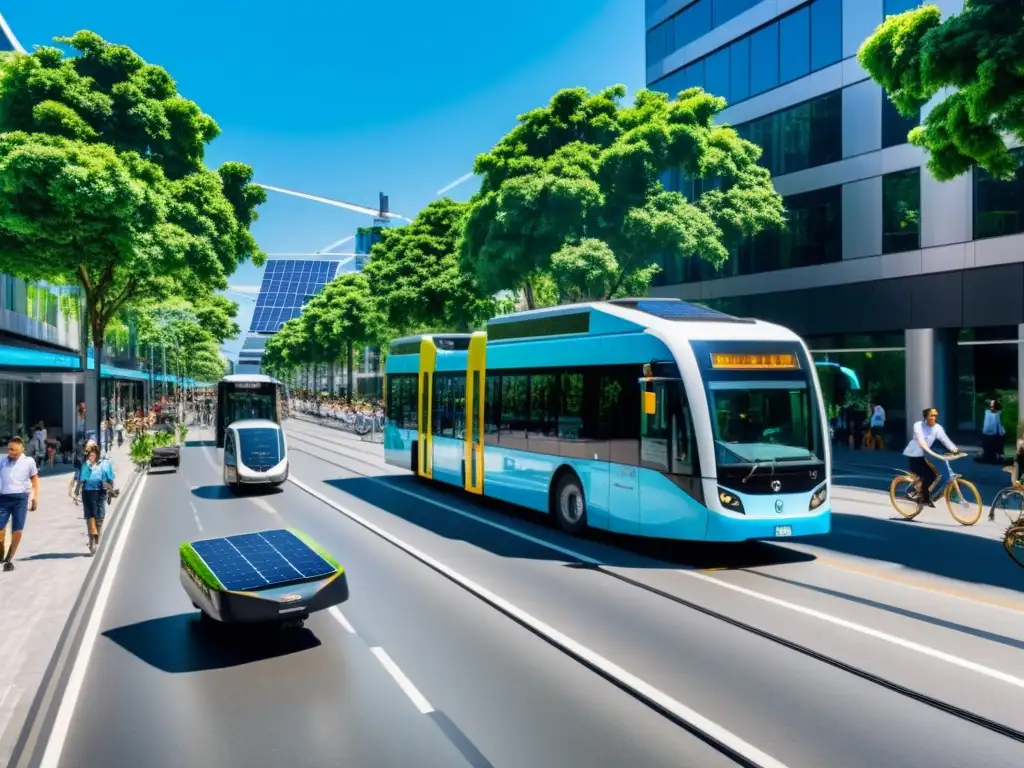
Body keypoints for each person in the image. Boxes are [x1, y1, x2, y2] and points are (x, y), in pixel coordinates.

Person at [903, 407, 959, 508]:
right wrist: (932, 453)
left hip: (926, 455)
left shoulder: (937, 428)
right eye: (931, 416)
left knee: (937, 475)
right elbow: (921, 441)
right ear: (926, 417)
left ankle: (927, 493)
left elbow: (945, 440)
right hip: (915, 456)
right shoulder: (918, 426)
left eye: (935, 416)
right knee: (929, 476)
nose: (934, 417)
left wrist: (954, 449)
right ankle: (923, 497)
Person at [0, 436, 40, 572]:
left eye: (13, 450)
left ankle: (9, 560)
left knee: (17, 530)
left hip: (20, 500)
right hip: (3, 499)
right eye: (9, 449)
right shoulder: (2, 461)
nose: (10, 452)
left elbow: (35, 479)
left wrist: (35, 497)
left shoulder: (28, 462)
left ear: (21, 449)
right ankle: (1, 552)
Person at [73, 442, 113, 555]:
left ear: (97, 453)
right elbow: (80, 480)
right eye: (88, 454)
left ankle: (96, 538)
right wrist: (76, 492)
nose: (90, 456)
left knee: (99, 517)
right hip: (87, 493)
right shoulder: (85, 466)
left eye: (92, 453)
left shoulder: (104, 465)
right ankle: (92, 541)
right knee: (90, 517)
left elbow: (109, 481)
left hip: (100, 493)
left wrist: (110, 494)